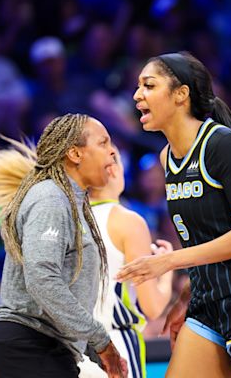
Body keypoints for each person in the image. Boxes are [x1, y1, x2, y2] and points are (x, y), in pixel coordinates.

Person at [121, 52, 231, 377]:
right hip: (207, 302)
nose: (137, 95)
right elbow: (203, 236)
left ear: (180, 94)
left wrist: (171, 261)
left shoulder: (223, 146)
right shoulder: (166, 157)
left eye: (148, 85)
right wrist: (186, 294)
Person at [0, 113, 127, 378]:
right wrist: (100, 340)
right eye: (103, 143)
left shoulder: (70, 201)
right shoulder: (50, 198)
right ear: (75, 154)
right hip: (29, 347)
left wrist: (88, 346)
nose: (112, 151)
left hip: (45, 347)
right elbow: (42, 278)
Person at [81, 148, 173, 378]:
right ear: (112, 169)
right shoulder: (128, 222)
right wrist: (166, 268)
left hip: (74, 348)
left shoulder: (68, 218)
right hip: (115, 344)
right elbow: (153, 307)